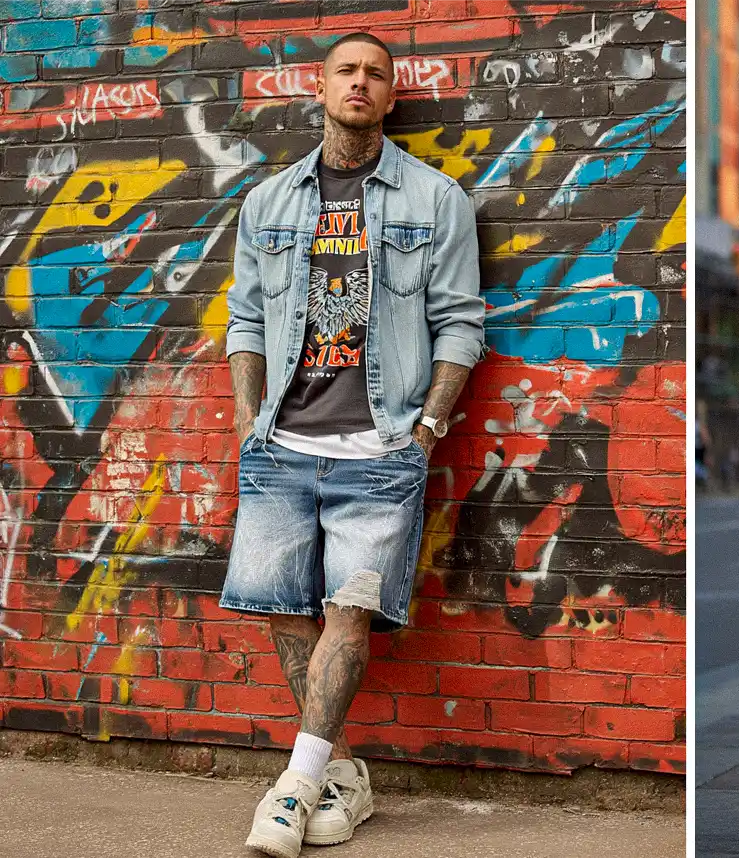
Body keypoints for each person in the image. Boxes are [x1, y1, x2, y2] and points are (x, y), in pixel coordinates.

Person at [223, 33, 484, 856]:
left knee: (348, 612)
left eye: (376, 73)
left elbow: (461, 324)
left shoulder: (436, 199)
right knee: (283, 613)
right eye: (347, 71)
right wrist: (246, 421)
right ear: (321, 87)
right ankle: (341, 773)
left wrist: (428, 426)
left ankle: (295, 791)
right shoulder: (267, 203)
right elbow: (244, 321)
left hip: (381, 448)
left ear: (392, 95)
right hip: (282, 444)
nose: (360, 84)